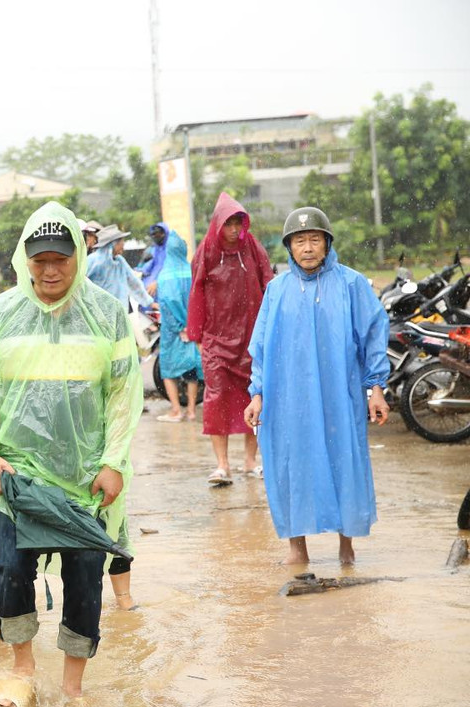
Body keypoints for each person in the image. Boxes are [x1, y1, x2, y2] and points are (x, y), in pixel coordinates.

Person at [0, 202, 143, 703]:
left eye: (60, 258)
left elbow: (124, 395)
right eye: (39, 259)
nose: (50, 269)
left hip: (85, 479)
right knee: (11, 570)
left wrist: (113, 462)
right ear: (25, 260)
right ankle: (23, 669)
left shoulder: (106, 312)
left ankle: (73, 688)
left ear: (78, 257)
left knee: (85, 577)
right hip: (15, 475)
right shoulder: (0, 313)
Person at [245, 207, 389, 566]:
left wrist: (376, 388)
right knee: (290, 464)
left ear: (327, 243)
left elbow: (373, 335)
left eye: (314, 240)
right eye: (299, 241)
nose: (307, 247)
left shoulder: (352, 284)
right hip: (288, 398)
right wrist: (257, 394)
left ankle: (346, 545)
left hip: (339, 394)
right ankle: (297, 548)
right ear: (289, 248)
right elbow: (261, 346)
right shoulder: (276, 290)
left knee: (345, 459)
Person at [187, 193, 274, 486]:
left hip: (252, 338)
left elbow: (269, 283)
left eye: (239, 223)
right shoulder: (207, 251)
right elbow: (197, 291)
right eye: (229, 224)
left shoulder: (252, 247)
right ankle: (222, 465)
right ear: (218, 225)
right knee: (216, 399)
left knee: (256, 396)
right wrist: (197, 334)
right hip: (216, 339)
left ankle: (251, 461)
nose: (235, 230)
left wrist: (274, 326)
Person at [154, 231, 203, 422]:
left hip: (172, 332)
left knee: (168, 370)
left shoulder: (165, 276)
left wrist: (177, 326)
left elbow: (167, 302)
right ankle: (191, 410)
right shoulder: (192, 271)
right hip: (191, 329)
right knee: (191, 371)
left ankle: (176, 410)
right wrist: (190, 324)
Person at [87, 225, 156, 311]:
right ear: (112, 244)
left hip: (119, 312)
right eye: (121, 242)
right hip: (99, 313)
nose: (123, 244)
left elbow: (134, 282)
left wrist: (149, 302)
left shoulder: (120, 262)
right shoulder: (93, 261)